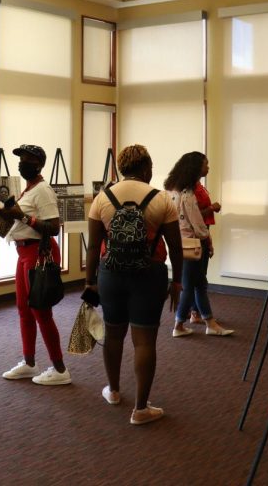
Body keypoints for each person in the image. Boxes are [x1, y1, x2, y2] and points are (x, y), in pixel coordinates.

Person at [85, 144, 183, 425]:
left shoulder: (102, 198)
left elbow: (93, 247)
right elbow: (175, 248)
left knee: (113, 334)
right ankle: (141, 408)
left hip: (110, 274)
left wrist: (90, 282)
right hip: (149, 274)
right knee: (144, 341)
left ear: (121, 169)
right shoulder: (162, 199)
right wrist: (177, 281)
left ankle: (113, 391)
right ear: (145, 168)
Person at [0, 144, 70, 386]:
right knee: (23, 309)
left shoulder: (43, 191)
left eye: (26, 159)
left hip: (39, 252)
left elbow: (53, 228)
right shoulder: (28, 190)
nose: (21, 163)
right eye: (20, 159)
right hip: (23, 253)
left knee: (41, 311)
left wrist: (21, 216)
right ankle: (29, 363)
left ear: (38, 164)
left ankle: (60, 369)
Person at [165, 152, 234, 338]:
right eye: (206, 164)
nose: (208, 167)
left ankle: (203, 321)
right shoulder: (187, 195)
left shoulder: (171, 190)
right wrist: (208, 241)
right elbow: (198, 225)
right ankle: (182, 324)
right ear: (195, 168)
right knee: (193, 285)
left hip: (180, 242)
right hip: (194, 243)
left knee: (197, 284)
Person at [188, 154, 221, 326]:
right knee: (197, 278)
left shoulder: (199, 186)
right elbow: (192, 217)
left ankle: (196, 311)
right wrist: (212, 208)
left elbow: (203, 222)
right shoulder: (189, 190)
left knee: (200, 276)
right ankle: (194, 312)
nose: (208, 167)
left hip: (203, 233)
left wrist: (209, 241)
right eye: (205, 164)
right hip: (194, 237)